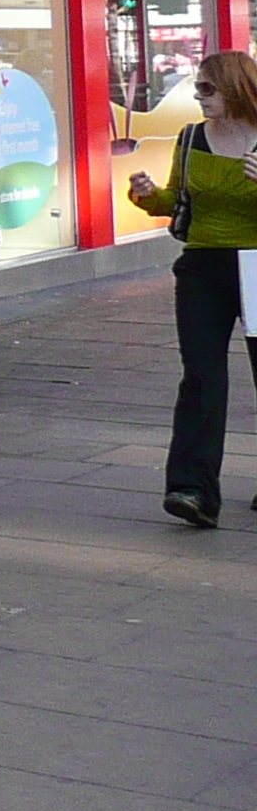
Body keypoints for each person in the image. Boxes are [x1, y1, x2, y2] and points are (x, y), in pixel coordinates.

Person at [126, 49, 257, 528]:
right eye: (196, 89)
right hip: (203, 267)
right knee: (201, 376)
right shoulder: (192, 138)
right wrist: (144, 195)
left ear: (236, 88)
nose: (198, 98)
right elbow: (173, 200)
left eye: (206, 89)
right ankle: (192, 489)